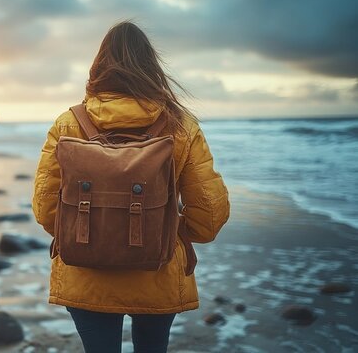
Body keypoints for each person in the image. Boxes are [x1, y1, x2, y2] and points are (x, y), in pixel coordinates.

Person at [31, 21, 230, 353]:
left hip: (85, 274)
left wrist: (91, 231)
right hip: (160, 274)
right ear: (152, 68)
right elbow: (209, 215)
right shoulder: (181, 126)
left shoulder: (68, 123)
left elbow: (45, 208)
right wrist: (165, 229)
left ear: (98, 67)